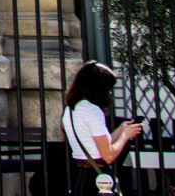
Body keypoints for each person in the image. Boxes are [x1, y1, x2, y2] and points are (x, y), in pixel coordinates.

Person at [61, 62, 143, 196]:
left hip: (80, 178)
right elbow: (108, 156)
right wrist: (125, 136)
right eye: (108, 88)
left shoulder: (70, 110)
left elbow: (96, 145)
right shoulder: (92, 110)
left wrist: (121, 129)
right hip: (98, 180)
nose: (109, 93)